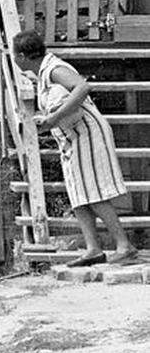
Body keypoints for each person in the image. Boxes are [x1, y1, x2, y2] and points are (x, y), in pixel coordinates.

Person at [13, 29, 137, 266]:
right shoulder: (43, 73)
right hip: (71, 136)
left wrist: (53, 118)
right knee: (77, 192)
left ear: (21, 56)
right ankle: (93, 248)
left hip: (86, 132)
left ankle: (124, 245)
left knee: (94, 191)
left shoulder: (54, 69)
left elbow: (82, 87)